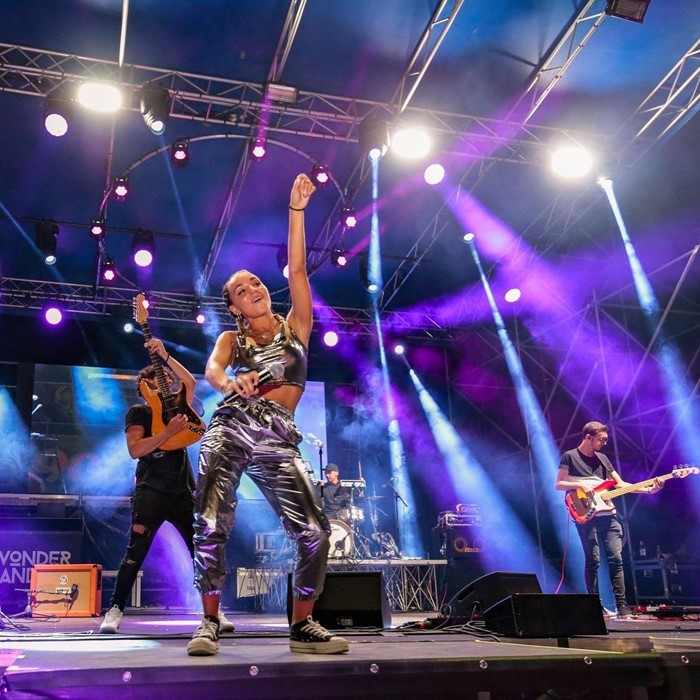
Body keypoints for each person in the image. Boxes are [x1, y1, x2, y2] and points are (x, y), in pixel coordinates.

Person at [187, 174, 348, 656]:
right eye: (241, 289)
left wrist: (296, 211)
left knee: (315, 532)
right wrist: (228, 383)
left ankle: (302, 624)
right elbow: (212, 371)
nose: (252, 288)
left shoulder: (297, 327)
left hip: (279, 435)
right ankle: (209, 622)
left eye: (255, 281)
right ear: (234, 306)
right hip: (233, 426)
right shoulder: (231, 340)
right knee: (212, 520)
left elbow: (296, 269)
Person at [100, 337, 234, 634]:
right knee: (135, 552)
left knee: (200, 552)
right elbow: (135, 449)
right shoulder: (140, 412)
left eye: (169, 379)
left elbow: (189, 381)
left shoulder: (178, 409)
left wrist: (165, 355)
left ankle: (214, 612)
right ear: (146, 386)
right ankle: (115, 609)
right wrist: (168, 433)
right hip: (151, 491)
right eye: (160, 379)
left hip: (182, 491)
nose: (168, 383)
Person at [554, 420, 663, 618]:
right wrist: (582, 485)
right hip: (586, 515)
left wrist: (648, 490)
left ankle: (622, 607)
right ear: (588, 437)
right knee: (593, 560)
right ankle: (594, 605)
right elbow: (559, 483)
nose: (605, 443)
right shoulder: (570, 456)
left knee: (617, 559)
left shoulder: (603, 459)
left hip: (609, 515)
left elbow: (620, 485)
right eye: (601, 440)